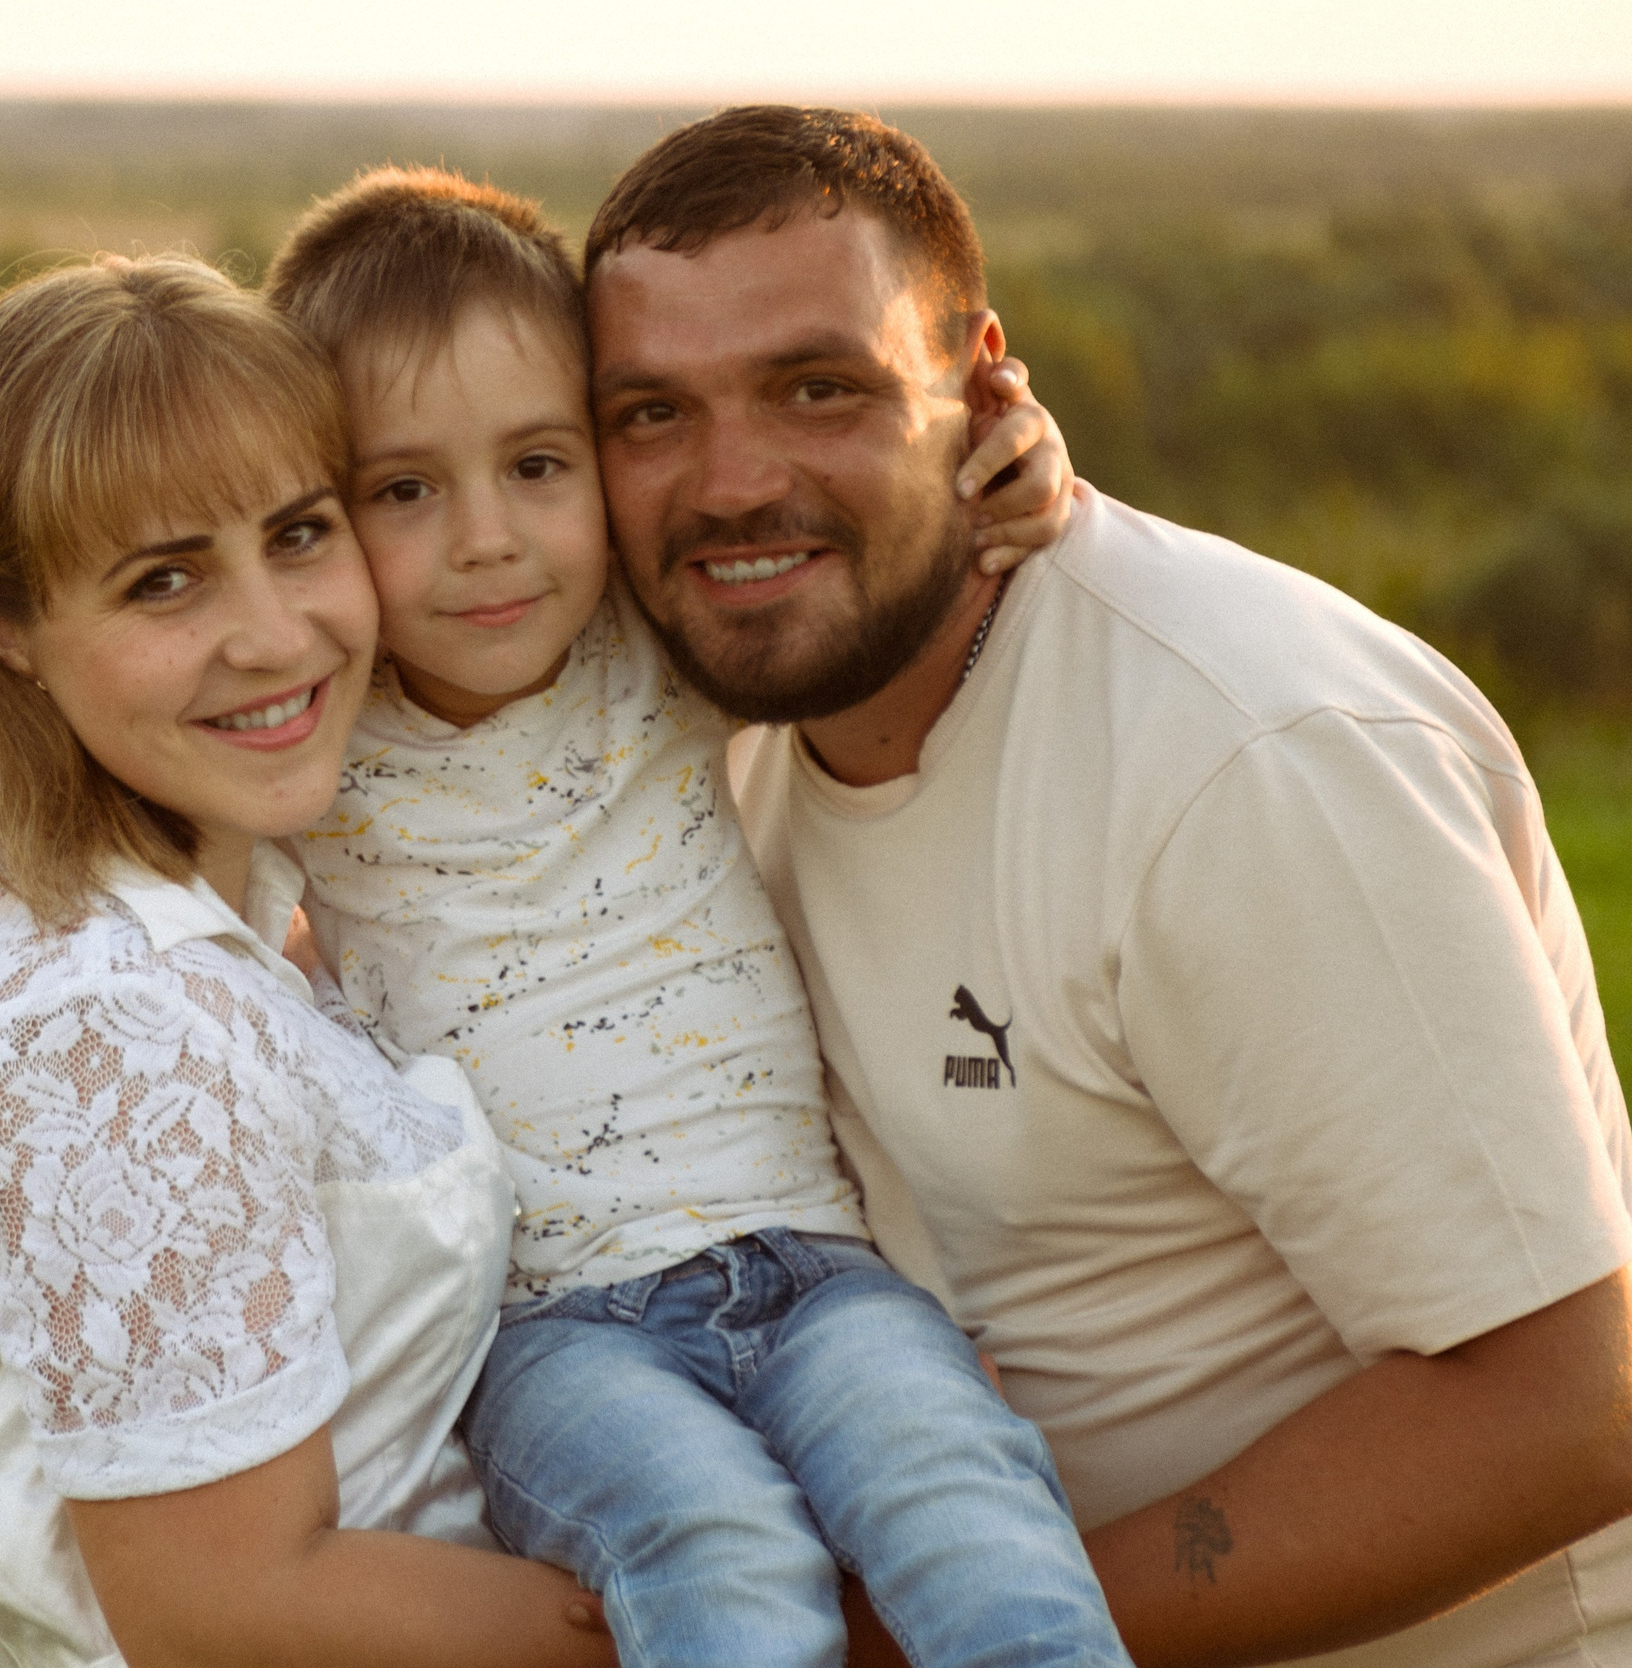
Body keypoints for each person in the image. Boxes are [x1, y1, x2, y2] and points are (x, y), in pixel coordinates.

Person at [582, 103, 1632, 1668]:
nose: (732, 482)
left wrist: (903, 1642)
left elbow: (1569, 1410)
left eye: (821, 388)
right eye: (651, 414)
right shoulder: (702, 734)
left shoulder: (1247, 762)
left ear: (980, 382)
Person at [266, 167, 1128, 1668]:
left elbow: (846, 545)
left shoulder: (653, 644)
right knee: (720, 1563)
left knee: (977, 1522)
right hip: (550, 1336)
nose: (487, 540)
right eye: (404, 490)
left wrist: (1018, 452)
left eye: (538, 466)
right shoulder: (308, 750)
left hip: (817, 1271)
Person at [0, 253, 618, 1668]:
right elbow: (239, 1611)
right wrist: (761, 1612)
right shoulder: (114, 1028)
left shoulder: (183, 912)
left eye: (299, 533)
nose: (274, 631)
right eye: (164, 580)